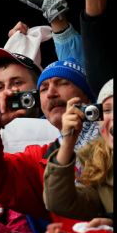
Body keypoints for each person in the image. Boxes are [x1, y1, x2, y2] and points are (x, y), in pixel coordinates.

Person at [0, 58, 99, 222]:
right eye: (43, 89)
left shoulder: (109, 136)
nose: (51, 93)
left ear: (86, 94)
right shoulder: (42, 159)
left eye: (62, 82)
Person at [44, 79, 113, 219]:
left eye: (62, 83)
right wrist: (68, 140)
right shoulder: (98, 164)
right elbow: (61, 203)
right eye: (106, 110)